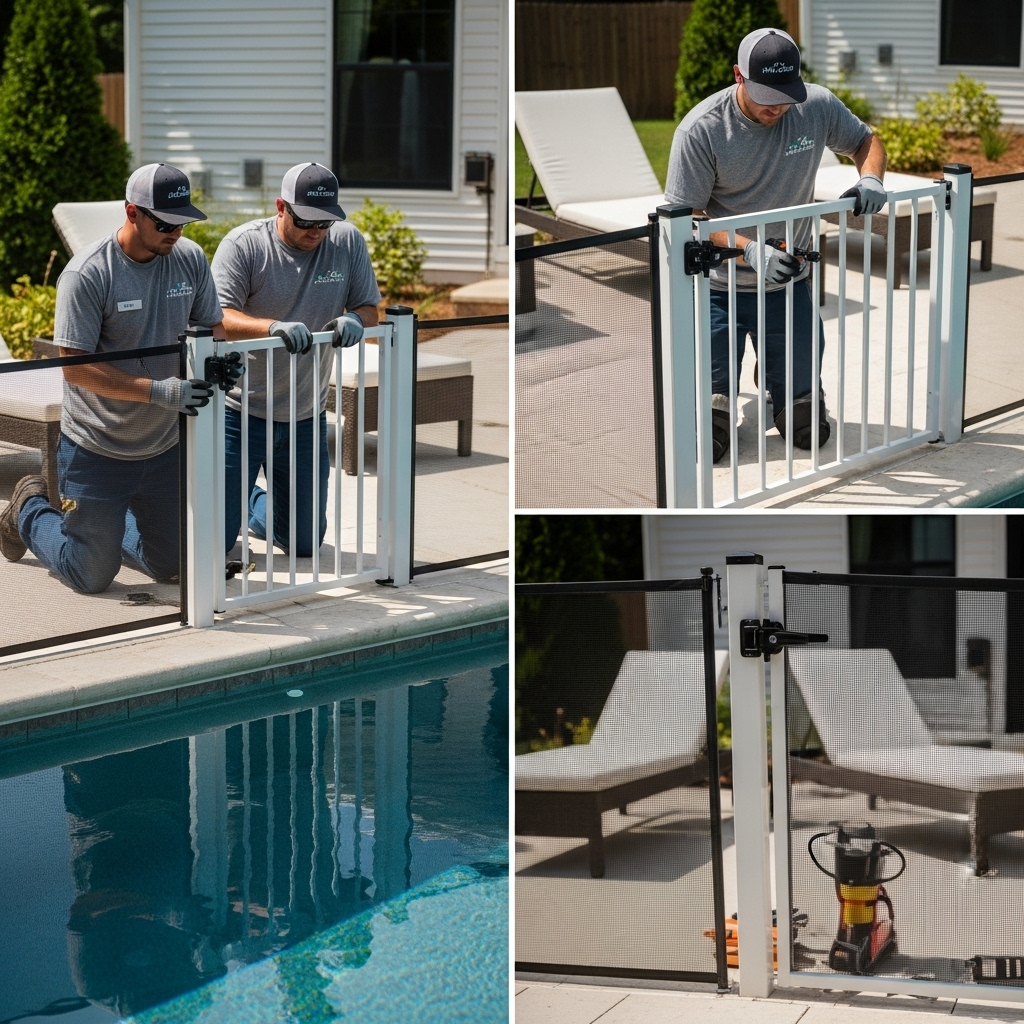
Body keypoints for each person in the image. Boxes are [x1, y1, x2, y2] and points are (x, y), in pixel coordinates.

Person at [665, 27, 888, 462]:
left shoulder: (815, 105)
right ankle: (721, 394)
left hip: (789, 284)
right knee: (707, 441)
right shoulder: (701, 130)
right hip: (718, 287)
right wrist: (748, 247)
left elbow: (866, 140)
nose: (778, 107)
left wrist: (871, 177)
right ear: (738, 76)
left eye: (786, 94)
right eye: (767, 95)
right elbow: (686, 217)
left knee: (807, 432)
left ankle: (786, 384)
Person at [0, 163, 223, 593]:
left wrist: (219, 362)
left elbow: (211, 329)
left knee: (174, 565)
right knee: (91, 576)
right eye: (164, 222)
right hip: (96, 448)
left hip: (163, 447)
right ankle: (28, 506)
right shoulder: (88, 274)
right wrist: (160, 391)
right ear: (132, 212)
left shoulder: (190, 259)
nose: (175, 233)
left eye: (182, 222)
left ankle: (103, 532)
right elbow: (75, 367)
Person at [212, 162, 381, 557]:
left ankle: (249, 498)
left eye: (325, 223)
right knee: (215, 543)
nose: (316, 232)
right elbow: (218, 318)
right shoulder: (245, 245)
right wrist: (271, 328)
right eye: (306, 221)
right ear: (281, 207)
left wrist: (355, 319)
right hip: (240, 411)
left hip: (305, 413)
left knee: (304, 543)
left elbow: (369, 309)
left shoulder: (346, 242)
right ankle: (228, 496)